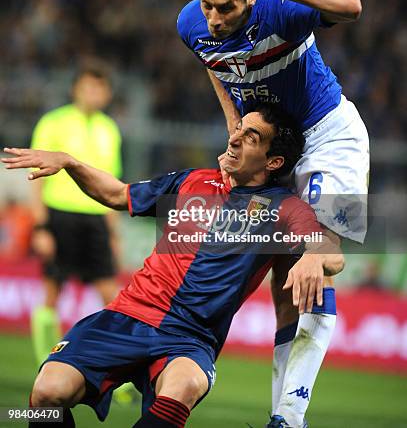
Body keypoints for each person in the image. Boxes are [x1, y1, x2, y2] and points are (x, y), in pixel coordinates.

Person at [1, 104, 344, 428]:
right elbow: (118, 195)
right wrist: (70, 162)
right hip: (128, 315)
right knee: (46, 394)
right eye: (238, 129)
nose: (234, 138)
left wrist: (313, 255)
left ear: (273, 161)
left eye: (251, 137)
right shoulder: (192, 181)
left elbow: (333, 251)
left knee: (185, 384)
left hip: (190, 338)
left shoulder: (284, 207)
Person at [177, 0, 369, 427]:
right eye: (207, 4)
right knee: (286, 287)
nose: (214, 17)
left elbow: (352, 7)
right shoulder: (190, 24)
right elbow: (216, 68)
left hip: (328, 136)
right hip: (274, 151)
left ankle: (289, 416)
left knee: (320, 262)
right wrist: (234, 128)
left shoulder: (282, 11)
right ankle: (284, 417)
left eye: (226, 7)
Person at [29, 64, 122, 366]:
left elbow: (113, 186)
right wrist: (41, 226)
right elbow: (37, 178)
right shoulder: (53, 122)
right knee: (52, 295)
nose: (93, 94)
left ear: (107, 94)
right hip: (60, 216)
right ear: (76, 89)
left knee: (113, 296)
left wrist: (113, 233)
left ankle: (114, 368)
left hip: (95, 219)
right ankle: (47, 364)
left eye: (99, 88)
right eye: (87, 87)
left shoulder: (110, 129)